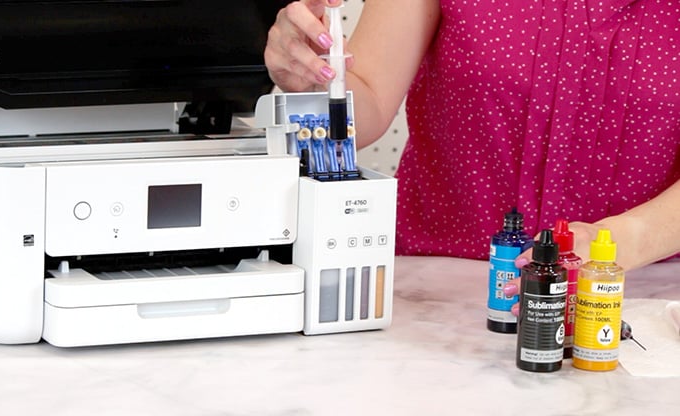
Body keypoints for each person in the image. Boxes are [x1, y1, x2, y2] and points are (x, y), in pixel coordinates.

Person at [264, 0, 680, 283]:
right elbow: (367, 100)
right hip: (435, 288)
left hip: (639, 298)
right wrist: (311, 82)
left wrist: (617, 245)